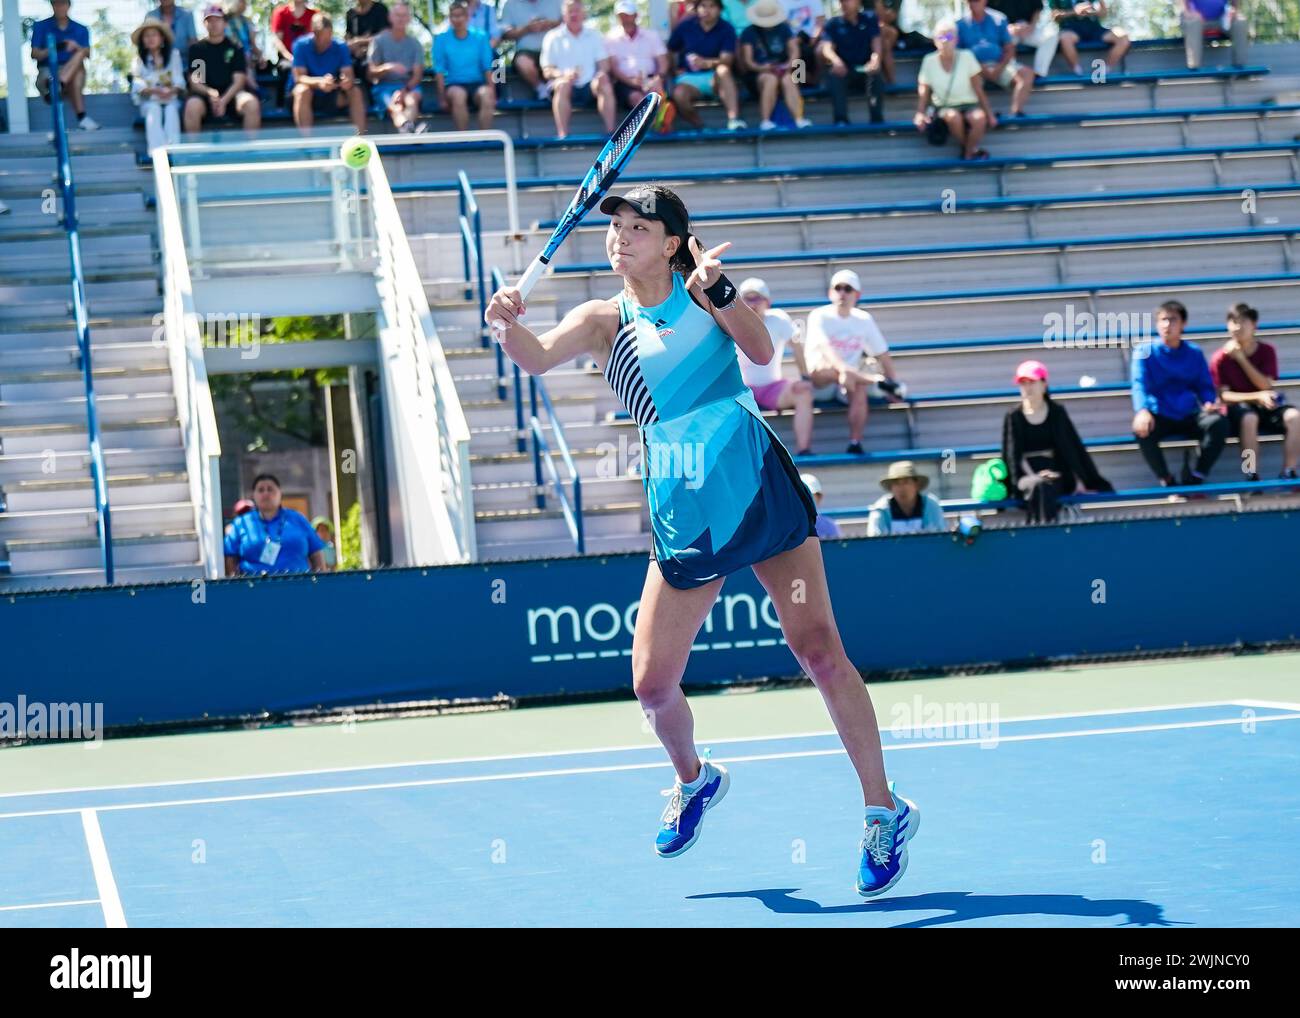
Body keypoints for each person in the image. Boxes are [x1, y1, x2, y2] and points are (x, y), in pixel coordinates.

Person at [486, 182, 918, 895]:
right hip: (682, 500)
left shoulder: (703, 295)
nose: (620, 236)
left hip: (752, 479)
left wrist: (718, 291)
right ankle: (695, 780)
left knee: (818, 650)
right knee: (652, 685)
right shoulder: (603, 317)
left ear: (672, 239)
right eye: (616, 226)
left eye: (638, 226)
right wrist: (504, 322)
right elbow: (534, 357)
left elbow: (759, 355)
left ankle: (883, 808)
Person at [804, 269, 903, 454]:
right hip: (820, 383)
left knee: (858, 386)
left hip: (849, 381)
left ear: (857, 294)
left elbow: (882, 353)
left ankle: (855, 442)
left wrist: (893, 381)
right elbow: (825, 348)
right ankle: (875, 380)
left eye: (847, 289)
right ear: (830, 293)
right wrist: (844, 370)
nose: (842, 293)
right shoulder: (819, 315)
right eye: (838, 288)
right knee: (822, 368)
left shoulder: (863, 319)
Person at [1131, 301, 1229, 487]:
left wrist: (1209, 402)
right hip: (1159, 413)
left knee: (1219, 423)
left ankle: (1198, 476)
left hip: (1188, 413)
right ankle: (1167, 480)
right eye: (1163, 320)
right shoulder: (1144, 352)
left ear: (1183, 324)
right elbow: (1139, 384)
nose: (1167, 325)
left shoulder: (1194, 353)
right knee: (1141, 430)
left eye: (1173, 319)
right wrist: (1142, 410)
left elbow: (1204, 385)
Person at [1001, 359, 1112, 523]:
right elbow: (1014, 456)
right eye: (1023, 383)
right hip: (1027, 474)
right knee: (1039, 486)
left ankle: (1040, 531)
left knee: (1047, 486)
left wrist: (1080, 479)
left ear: (1044, 384)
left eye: (1032, 382)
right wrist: (1035, 476)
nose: (1027, 387)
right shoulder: (1013, 416)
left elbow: (1072, 447)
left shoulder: (1057, 412)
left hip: (1055, 472)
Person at [1210, 303, 1300, 482]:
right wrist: (1256, 396)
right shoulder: (1220, 358)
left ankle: (1289, 470)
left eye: (1243, 322)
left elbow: (1266, 385)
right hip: (1239, 409)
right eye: (1233, 322)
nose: (1237, 327)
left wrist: (1242, 359)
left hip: (1266, 405)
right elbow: (1224, 396)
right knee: (1249, 419)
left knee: (1294, 416)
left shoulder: (1267, 351)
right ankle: (1251, 473)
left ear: (1254, 325)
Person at [735, 277, 817, 455]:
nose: (752, 303)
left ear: (767, 302)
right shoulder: (731, 320)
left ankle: (804, 449)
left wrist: (805, 377)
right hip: (742, 389)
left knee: (803, 393)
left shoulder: (778, 319)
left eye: (757, 298)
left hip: (772, 387)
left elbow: (796, 346)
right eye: (747, 299)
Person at [915, 17, 994, 160]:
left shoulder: (967, 57)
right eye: (941, 36)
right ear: (934, 40)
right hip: (944, 106)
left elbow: (978, 89)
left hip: (969, 104)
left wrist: (990, 114)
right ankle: (970, 151)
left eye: (949, 36)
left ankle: (967, 152)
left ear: (956, 40)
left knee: (980, 119)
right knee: (953, 117)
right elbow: (923, 90)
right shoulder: (929, 61)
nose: (945, 40)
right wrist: (920, 113)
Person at [224, 474, 328, 575]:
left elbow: (316, 554)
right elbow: (230, 558)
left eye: (270, 489)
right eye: (260, 490)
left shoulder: (298, 519)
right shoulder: (242, 523)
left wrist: (320, 584)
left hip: (299, 586)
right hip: (254, 588)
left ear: (280, 493)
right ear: (253, 495)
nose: (266, 493)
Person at [540, 0, 616, 138]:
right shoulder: (552, 37)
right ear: (563, 14)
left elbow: (604, 64)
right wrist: (563, 74)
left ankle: (611, 133)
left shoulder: (594, 35)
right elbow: (547, 70)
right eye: (570, 11)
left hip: (589, 84)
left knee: (604, 82)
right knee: (562, 85)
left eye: (577, 11)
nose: (574, 14)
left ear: (583, 14)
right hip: (563, 83)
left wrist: (601, 74)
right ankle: (563, 135)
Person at [667, 0, 746, 132]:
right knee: (679, 95)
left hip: (714, 78)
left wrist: (706, 63)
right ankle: (701, 127)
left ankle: (734, 120)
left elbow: (727, 60)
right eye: (703, 6)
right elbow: (670, 49)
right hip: (689, 78)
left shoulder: (727, 28)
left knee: (724, 70)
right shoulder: (685, 26)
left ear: (720, 10)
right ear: (697, 9)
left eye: (712, 6)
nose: (707, 10)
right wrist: (674, 70)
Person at [184, 6, 263, 132]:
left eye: (217, 20)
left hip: (232, 96)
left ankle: (250, 149)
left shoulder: (236, 47)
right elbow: (195, 81)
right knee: (192, 106)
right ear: (204, 24)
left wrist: (223, 100)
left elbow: (239, 80)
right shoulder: (197, 49)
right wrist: (210, 93)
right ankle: (195, 150)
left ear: (225, 23)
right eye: (210, 20)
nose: (214, 24)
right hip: (205, 97)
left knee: (251, 103)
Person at [739, 0, 813, 130]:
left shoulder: (784, 29)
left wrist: (788, 65)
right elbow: (749, 62)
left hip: (784, 68)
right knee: (770, 79)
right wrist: (764, 68)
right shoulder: (748, 32)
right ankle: (766, 120)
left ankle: (799, 119)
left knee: (789, 79)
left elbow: (794, 51)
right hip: (758, 74)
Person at [291, 13, 368, 131]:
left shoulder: (340, 46)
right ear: (314, 34)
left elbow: (348, 74)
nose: (325, 43)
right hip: (308, 95)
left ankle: (360, 142)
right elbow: (299, 77)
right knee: (302, 91)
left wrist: (345, 81)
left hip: (331, 95)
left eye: (328, 39)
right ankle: (306, 145)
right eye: (322, 39)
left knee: (355, 92)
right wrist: (319, 82)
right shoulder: (300, 46)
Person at [957, 0, 1034, 118]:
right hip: (974, 68)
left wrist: (999, 68)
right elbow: (959, 54)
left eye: (977, 0)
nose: (973, 3)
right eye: (970, 1)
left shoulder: (999, 19)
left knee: (1027, 74)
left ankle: (1015, 113)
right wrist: (980, 68)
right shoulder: (959, 24)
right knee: (971, 80)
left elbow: (1009, 49)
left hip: (999, 64)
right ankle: (987, 116)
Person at [30, 0, 99, 131]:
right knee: (76, 71)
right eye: (56, 3)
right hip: (48, 72)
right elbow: (34, 54)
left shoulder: (81, 28)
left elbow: (88, 54)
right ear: (52, 5)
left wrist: (75, 46)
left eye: (63, 3)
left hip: (69, 73)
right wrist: (57, 47)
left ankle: (59, 83)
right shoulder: (41, 26)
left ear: (69, 5)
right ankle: (82, 116)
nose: (59, 7)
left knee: (80, 55)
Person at [605, 0, 673, 126]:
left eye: (628, 15)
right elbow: (614, 68)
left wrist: (658, 78)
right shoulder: (611, 38)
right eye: (621, 16)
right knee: (637, 98)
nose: (625, 19)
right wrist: (632, 82)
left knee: (656, 90)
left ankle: (660, 123)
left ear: (636, 15)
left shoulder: (652, 36)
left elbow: (663, 61)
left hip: (651, 78)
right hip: (625, 83)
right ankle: (658, 124)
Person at [434, 0, 498, 131]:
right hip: (454, 85)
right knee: (458, 95)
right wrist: (441, 98)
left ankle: (484, 139)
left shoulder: (480, 37)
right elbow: (439, 71)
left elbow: (487, 67)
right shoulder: (441, 39)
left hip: (477, 84)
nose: (457, 19)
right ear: (450, 19)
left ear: (467, 17)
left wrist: (493, 92)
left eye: (460, 15)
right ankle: (464, 138)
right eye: (454, 16)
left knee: (486, 95)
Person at [817, 0, 883, 126]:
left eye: (847, 0)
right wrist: (836, 61)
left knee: (876, 75)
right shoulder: (832, 24)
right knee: (834, 76)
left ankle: (877, 120)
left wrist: (876, 58)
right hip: (844, 70)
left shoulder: (870, 18)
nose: (844, 3)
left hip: (865, 69)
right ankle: (841, 120)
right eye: (841, 1)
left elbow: (876, 41)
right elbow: (827, 48)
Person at [368, 2, 426, 133]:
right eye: (397, 15)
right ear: (390, 17)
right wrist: (388, 68)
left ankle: (406, 131)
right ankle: (410, 132)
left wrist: (404, 91)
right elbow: (371, 73)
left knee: (412, 100)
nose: (400, 19)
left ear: (409, 18)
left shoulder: (415, 44)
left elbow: (417, 76)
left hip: (408, 86)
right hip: (384, 87)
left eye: (404, 15)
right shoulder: (378, 41)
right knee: (395, 107)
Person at [131, 19, 184, 153]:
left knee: (171, 111)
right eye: (147, 36)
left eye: (154, 35)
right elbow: (137, 82)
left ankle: (173, 151)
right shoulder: (138, 60)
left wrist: (171, 90)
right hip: (150, 100)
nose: (150, 39)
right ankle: (157, 152)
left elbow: (179, 79)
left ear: (162, 38)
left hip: (171, 99)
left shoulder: (174, 56)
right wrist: (152, 90)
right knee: (153, 110)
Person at [1045, 0, 1128, 76]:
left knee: (1122, 37)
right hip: (1071, 29)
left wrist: (1092, 12)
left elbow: (1103, 13)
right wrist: (1074, 11)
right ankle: (1079, 74)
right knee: (1064, 38)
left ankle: (1103, 72)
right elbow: (1055, 16)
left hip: (1095, 28)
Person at [501, 0, 563, 99]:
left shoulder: (559, 2)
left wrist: (550, 24)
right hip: (527, 51)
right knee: (522, 62)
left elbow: (572, 24)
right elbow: (506, 34)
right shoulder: (510, 4)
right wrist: (527, 28)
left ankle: (558, 87)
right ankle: (542, 89)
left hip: (555, 50)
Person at [867, 460, 946, 535]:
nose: (902, 488)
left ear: (916, 485)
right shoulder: (881, 509)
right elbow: (875, 544)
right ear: (891, 487)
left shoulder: (931, 506)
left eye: (906, 482)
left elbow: (940, 540)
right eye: (896, 483)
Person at [989, 0, 1058, 78]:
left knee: (1051, 35)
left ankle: (1039, 74)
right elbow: (988, 14)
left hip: (1027, 29)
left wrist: (1032, 26)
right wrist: (1007, 28)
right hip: (1005, 31)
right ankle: (1012, 75)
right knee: (1008, 39)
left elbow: (1037, 8)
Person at [271, 0, 319, 104]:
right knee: (288, 69)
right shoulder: (281, 13)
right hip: (287, 58)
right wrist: (290, 57)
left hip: (308, 58)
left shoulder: (314, 15)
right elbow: (277, 40)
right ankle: (284, 102)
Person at [1181, 0, 1248, 71]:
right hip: (1195, 19)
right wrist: (1187, 12)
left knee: (1240, 22)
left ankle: (1240, 66)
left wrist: (1234, 10)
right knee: (1193, 23)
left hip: (1221, 19)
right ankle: (1193, 68)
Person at [875, 0, 931, 84]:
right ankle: (890, 82)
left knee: (939, 41)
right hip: (871, 39)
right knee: (885, 41)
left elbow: (888, 17)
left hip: (901, 37)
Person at [345, 0, 390, 97]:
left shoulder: (380, 9)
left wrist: (360, 42)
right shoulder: (351, 14)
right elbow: (348, 38)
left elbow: (384, 36)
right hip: (355, 56)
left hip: (376, 56)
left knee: (367, 66)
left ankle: (374, 102)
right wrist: (354, 48)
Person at [224, 0, 267, 96]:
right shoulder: (224, 21)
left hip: (247, 57)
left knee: (246, 60)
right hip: (228, 55)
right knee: (242, 59)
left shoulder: (246, 21)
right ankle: (255, 88)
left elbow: (253, 43)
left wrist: (260, 56)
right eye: (241, 2)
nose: (244, 5)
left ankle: (253, 91)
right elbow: (231, 43)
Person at [800, 473, 843, 538]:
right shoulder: (788, 527)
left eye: (810, 495)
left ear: (819, 498)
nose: (807, 500)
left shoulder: (830, 526)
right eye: (803, 496)